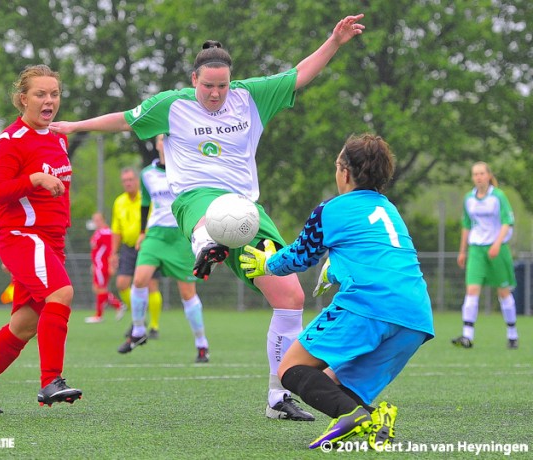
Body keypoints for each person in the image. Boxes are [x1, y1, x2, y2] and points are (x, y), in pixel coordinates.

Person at [50, 13, 366, 421]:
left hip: (248, 212)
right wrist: (75, 125)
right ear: (194, 79)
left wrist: (334, 41)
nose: (216, 94)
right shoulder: (172, 104)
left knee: (291, 297)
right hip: (195, 200)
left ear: (230, 81)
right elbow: (125, 120)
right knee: (213, 215)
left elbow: (299, 74)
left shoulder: (251, 97)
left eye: (222, 85)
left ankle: (277, 399)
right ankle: (206, 244)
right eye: (208, 86)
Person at [239, 134, 435, 449]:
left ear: (344, 172)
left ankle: (356, 418)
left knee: (290, 369)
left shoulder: (331, 210)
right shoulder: (390, 211)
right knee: (330, 384)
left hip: (370, 305)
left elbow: (300, 257)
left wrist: (266, 263)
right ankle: (374, 417)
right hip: (415, 317)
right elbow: (378, 257)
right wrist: (335, 270)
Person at [0, 64, 82, 413]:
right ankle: (51, 381)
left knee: (24, 327)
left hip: (51, 241)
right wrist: (36, 179)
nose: (49, 100)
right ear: (22, 99)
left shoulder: (58, 136)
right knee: (62, 293)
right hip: (21, 236)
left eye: (54, 93)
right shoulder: (9, 142)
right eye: (40, 94)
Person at [117, 134, 210, 363]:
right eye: (162, 138)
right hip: (156, 234)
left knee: (187, 293)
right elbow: (145, 204)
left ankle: (201, 344)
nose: (166, 141)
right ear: (158, 144)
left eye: (170, 137)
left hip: (180, 236)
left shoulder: (188, 170)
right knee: (139, 280)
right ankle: (138, 330)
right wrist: (141, 232)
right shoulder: (147, 174)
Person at [452, 161, 519, 349]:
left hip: (497, 250)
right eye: (475, 174)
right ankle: (467, 336)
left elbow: (507, 222)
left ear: (489, 175)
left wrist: (497, 244)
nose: (479, 177)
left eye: (482, 173)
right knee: (472, 290)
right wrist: (462, 251)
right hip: (476, 250)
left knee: (503, 292)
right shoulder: (469, 199)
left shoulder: (498, 196)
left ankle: (512, 334)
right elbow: (466, 225)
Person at [110, 167, 163, 338]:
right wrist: (113, 253)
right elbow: (116, 229)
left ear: (137, 181)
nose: (128, 183)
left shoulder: (147, 199)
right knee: (122, 283)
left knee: (152, 285)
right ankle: (138, 318)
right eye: (125, 181)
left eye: (131, 179)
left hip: (148, 245)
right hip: (128, 247)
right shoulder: (119, 202)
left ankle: (154, 326)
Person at [85, 212, 127, 323]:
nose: (96, 222)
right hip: (97, 264)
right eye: (94, 220)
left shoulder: (106, 232)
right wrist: (93, 264)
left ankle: (102, 313)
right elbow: (96, 250)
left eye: (98, 220)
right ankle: (116, 306)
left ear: (103, 219)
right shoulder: (98, 232)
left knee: (101, 289)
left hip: (103, 265)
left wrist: (111, 265)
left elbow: (110, 250)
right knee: (97, 288)